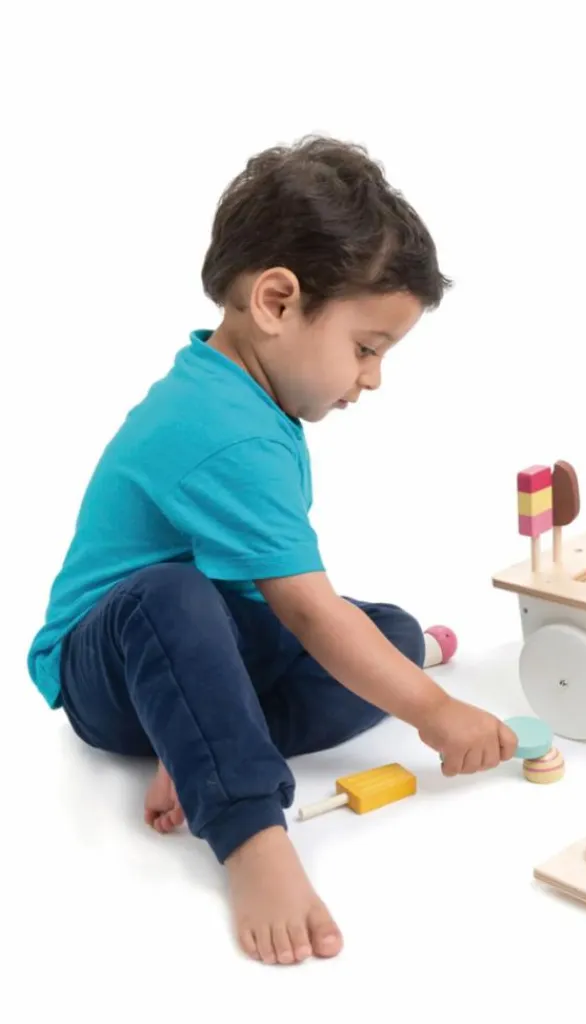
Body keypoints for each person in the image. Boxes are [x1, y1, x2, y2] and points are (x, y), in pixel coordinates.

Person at [26, 135, 518, 965]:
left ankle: (202, 744)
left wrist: (406, 677)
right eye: (367, 348)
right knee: (175, 594)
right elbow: (310, 614)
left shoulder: (250, 401)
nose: (372, 378)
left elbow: (292, 609)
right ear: (277, 302)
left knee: (391, 635)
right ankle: (249, 830)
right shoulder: (223, 429)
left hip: (207, 642)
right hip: (107, 666)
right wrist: (435, 713)